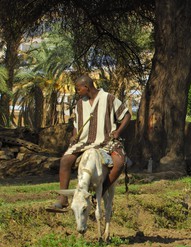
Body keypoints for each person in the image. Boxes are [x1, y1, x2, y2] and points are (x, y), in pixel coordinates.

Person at [46, 74, 131, 212]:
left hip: (106, 141)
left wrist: (118, 132)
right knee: (65, 161)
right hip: (84, 142)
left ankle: (101, 191)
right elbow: (76, 125)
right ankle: (63, 199)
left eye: (78, 89)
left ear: (86, 87)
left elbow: (126, 115)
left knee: (120, 163)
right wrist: (74, 136)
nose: (77, 92)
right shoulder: (80, 104)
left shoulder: (109, 98)